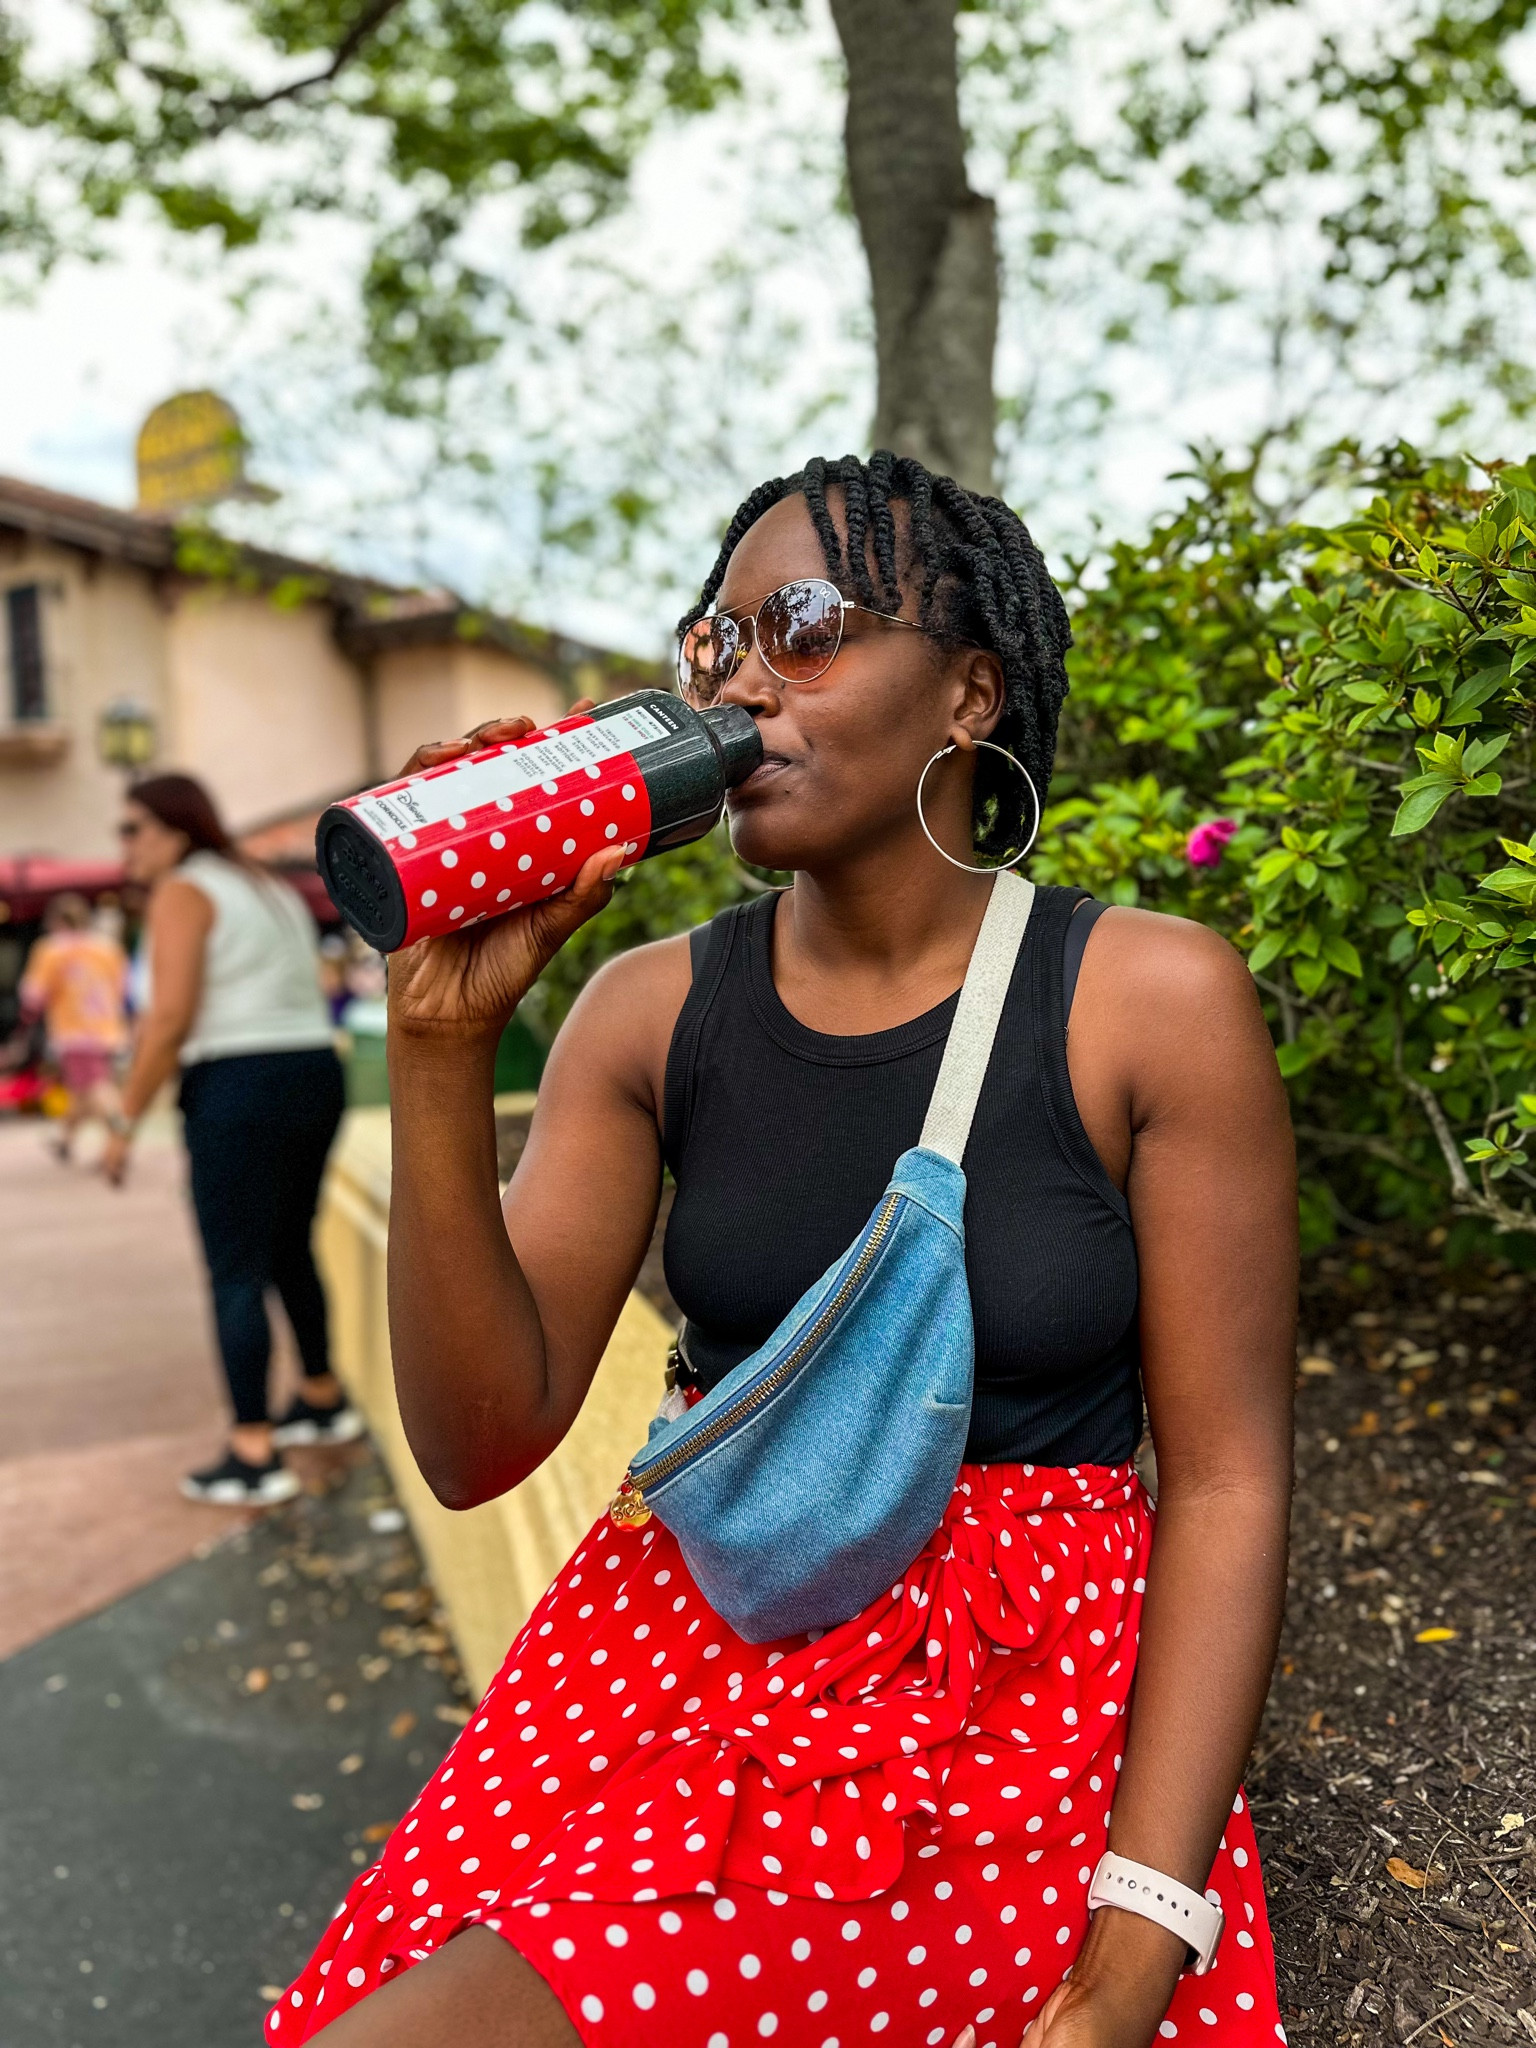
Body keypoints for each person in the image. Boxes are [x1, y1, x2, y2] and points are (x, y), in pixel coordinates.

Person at [277, 453, 1296, 2048]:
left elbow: (1229, 1483)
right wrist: (442, 1047)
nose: (743, 679)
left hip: (998, 1713)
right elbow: (480, 1449)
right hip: (673, 1657)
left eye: (804, 627)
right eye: (716, 641)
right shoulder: (647, 1011)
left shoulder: (1149, 1001)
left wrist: (1136, 1945)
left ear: (969, 693)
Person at [106, 772, 361, 1505]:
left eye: (131, 830)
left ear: (174, 830)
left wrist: (125, 1120)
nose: (123, 847)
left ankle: (253, 1452)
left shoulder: (184, 889)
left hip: (237, 1081)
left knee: (235, 1269)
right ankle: (321, 1397)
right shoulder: (262, 884)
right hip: (312, 1070)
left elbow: (169, 1018)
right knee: (287, 1247)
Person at [19, 891, 129, 1162]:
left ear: (56, 920)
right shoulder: (107, 947)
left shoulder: (51, 949)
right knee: (79, 1089)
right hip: (108, 1028)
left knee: (96, 1087)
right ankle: (65, 1139)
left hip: (74, 1031)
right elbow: (123, 988)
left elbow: (33, 993)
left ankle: (121, 1132)